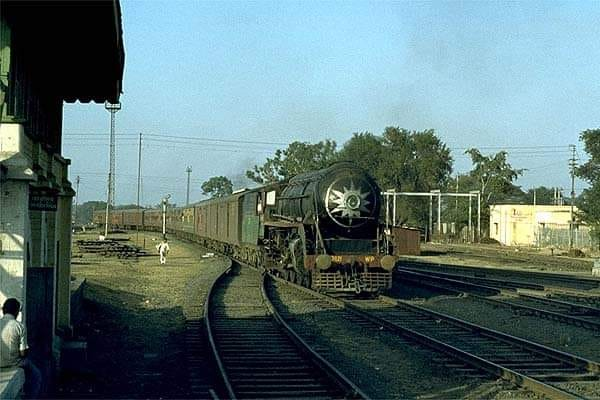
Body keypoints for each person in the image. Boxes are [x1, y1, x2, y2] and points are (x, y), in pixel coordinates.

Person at [0, 298, 42, 399]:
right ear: (16, 312)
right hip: (13, 363)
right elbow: (23, 353)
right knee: (37, 375)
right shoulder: (19, 326)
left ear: (3, 310)